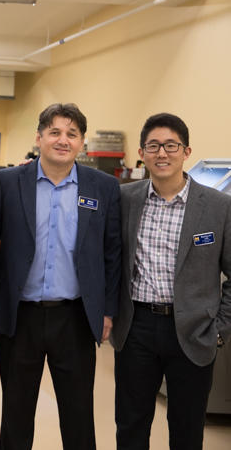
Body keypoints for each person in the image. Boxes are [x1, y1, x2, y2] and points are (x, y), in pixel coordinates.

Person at [0, 103, 121, 450]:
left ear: (82, 143)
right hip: (21, 317)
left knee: (78, 416)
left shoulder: (103, 187)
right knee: (16, 413)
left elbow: (112, 253)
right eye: (55, 132)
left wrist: (107, 310)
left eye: (71, 134)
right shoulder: (7, 181)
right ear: (40, 137)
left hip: (75, 316)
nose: (63, 140)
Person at [110, 113, 231, 450]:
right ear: (142, 152)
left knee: (187, 427)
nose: (162, 153)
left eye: (170, 145)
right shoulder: (124, 200)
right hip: (136, 328)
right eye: (153, 146)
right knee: (131, 425)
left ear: (186, 151)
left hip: (193, 330)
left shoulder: (219, 207)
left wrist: (219, 329)